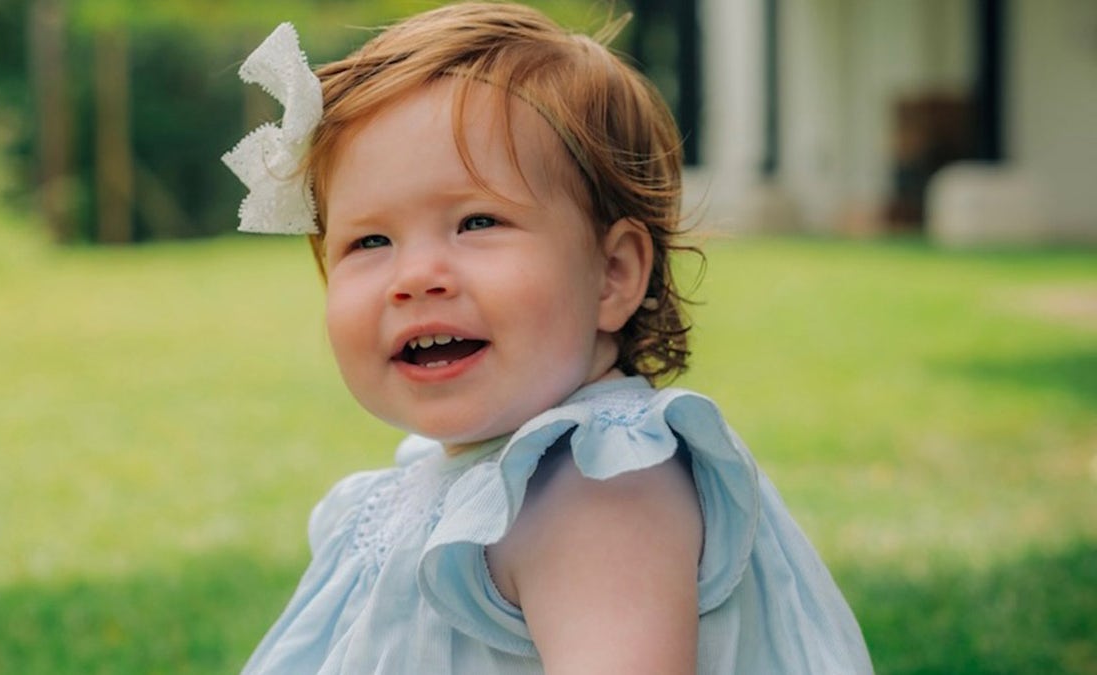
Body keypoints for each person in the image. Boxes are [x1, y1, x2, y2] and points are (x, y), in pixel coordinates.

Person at [222, 3, 873, 673]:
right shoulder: (471, 475)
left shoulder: (600, 488)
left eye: (476, 221)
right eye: (370, 240)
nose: (415, 277)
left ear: (612, 275)